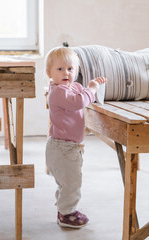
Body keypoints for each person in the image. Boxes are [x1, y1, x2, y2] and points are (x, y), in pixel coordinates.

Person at [45, 47, 107, 228]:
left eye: (70, 69)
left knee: (68, 181)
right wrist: (92, 89)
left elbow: (82, 94)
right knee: (72, 183)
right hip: (62, 147)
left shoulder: (72, 88)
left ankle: (64, 209)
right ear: (49, 73)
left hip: (69, 146)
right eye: (60, 69)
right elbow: (79, 101)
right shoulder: (57, 92)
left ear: (76, 71)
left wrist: (92, 89)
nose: (66, 73)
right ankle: (66, 214)